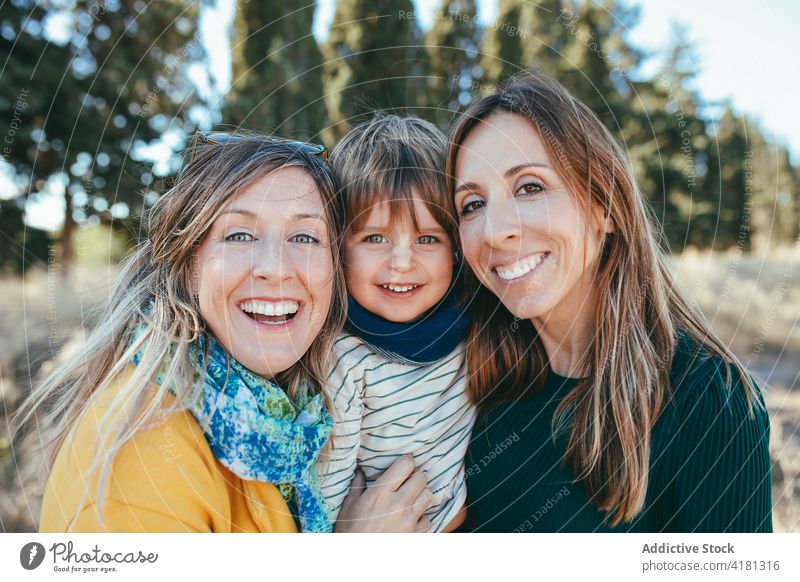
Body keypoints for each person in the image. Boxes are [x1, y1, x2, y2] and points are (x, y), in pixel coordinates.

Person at [18, 132, 428, 533]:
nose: (276, 267)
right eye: (239, 235)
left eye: (304, 237)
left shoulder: (294, 421)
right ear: (187, 263)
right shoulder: (138, 462)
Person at [446, 71, 773, 532]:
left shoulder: (708, 402)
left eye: (530, 187)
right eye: (472, 205)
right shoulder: (471, 389)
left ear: (605, 206)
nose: (496, 230)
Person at [317, 115, 476, 532]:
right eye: (375, 238)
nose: (403, 262)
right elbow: (329, 495)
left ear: (456, 249)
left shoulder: (470, 325)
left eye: (427, 239)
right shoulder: (343, 359)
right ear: (339, 248)